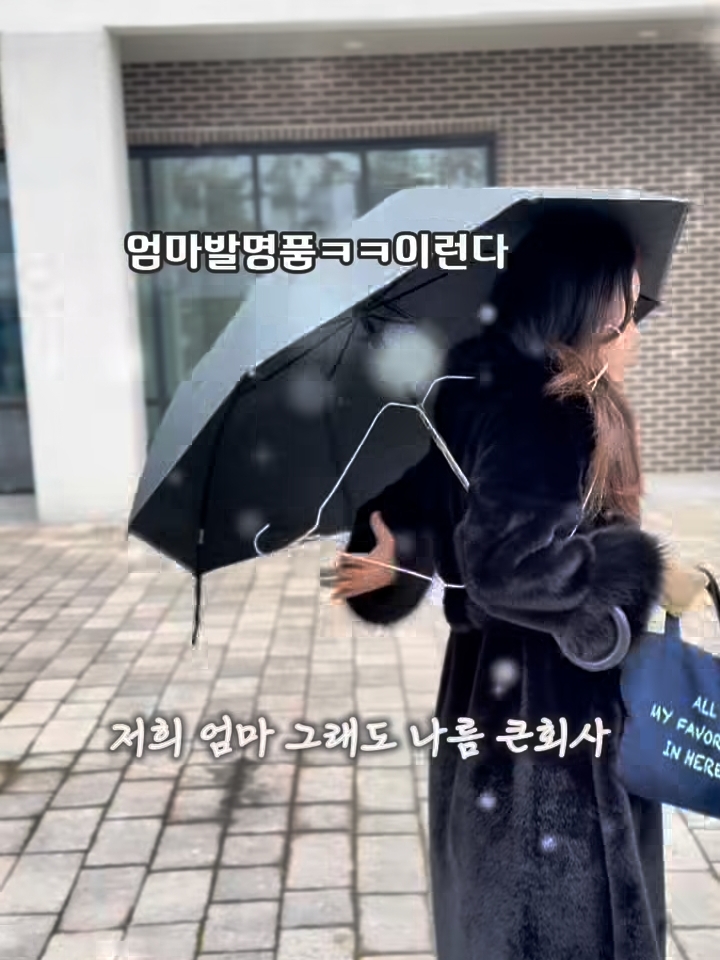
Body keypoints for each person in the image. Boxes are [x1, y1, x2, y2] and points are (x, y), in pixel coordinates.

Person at [329, 205, 711, 960]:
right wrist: (637, 579)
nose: (635, 325)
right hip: (552, 717)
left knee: (500, 911)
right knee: (562, 920)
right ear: (587, 306)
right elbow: (512, 570)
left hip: (487, 696)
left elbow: (432, 513)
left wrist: (393, 557)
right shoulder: (549, 407)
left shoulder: (478, 392)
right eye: (626, 305)